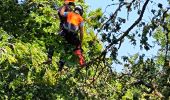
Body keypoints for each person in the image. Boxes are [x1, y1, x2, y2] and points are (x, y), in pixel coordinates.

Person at [44, 0, 75, 65]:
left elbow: (61, 14)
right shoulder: (70, 11)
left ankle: (50, 58)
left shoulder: (67, 9)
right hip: (69, 33)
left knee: (54, 42)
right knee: (64, 49)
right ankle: (60, 67)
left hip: (65, 31)